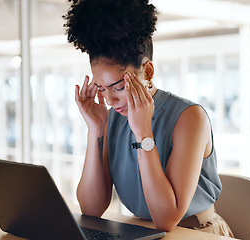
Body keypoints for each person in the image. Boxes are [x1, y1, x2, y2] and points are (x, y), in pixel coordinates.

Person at [63, 0, 234, 236]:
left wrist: (143, 133)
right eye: (101, 88)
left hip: (196, 232)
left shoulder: (190, 117)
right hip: (141, 230)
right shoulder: (112, 118)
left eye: (118, 87)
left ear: (148, 71)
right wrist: (97, 130)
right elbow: (91, 209)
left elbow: (166, 218)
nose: (110, 100)